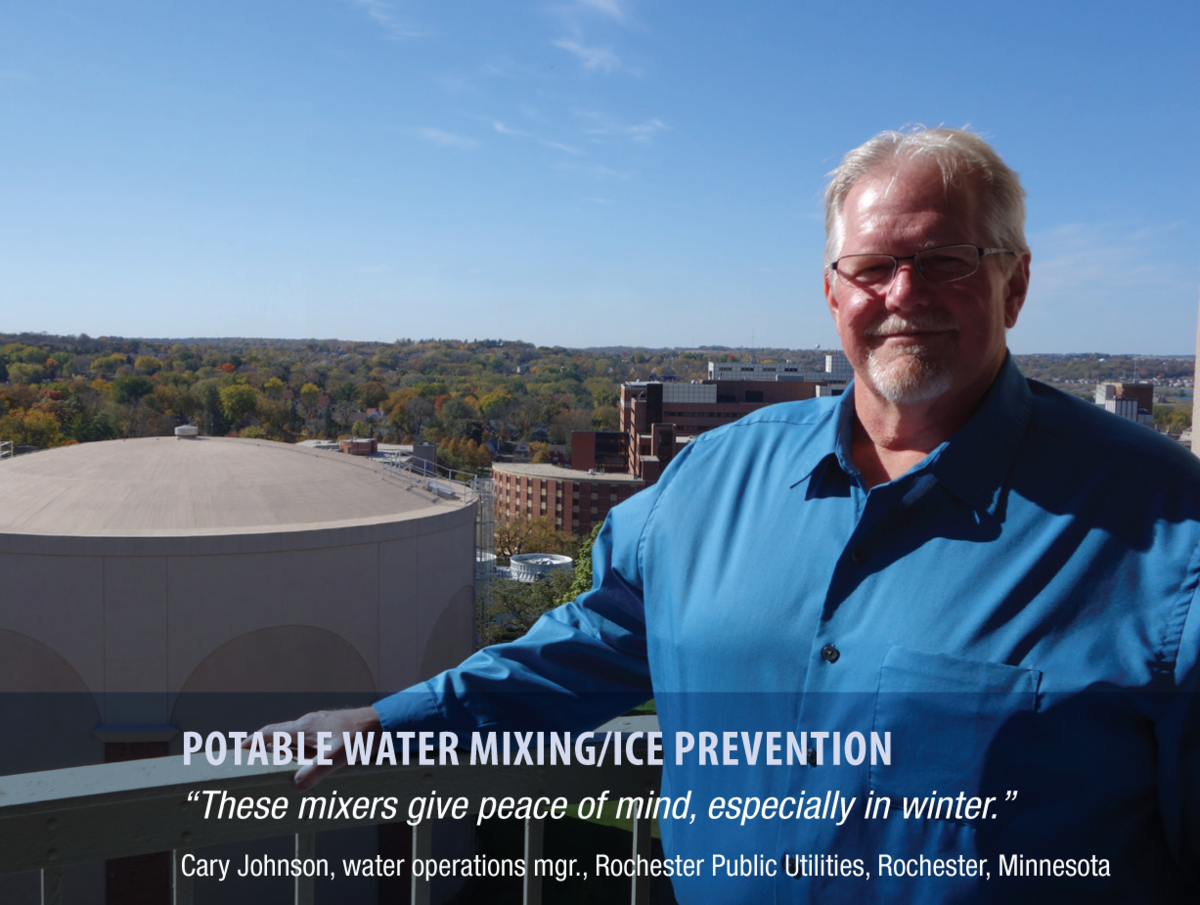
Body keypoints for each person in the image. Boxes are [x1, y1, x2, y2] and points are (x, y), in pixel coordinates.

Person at [263, 128, 1200, 903]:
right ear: (833, 291)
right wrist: (393, 722)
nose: (902, 297)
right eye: (872, 267)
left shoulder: (1166, 533)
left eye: (945, 262)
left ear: (1016, 284)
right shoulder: (715, 478)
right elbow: (595, 638)